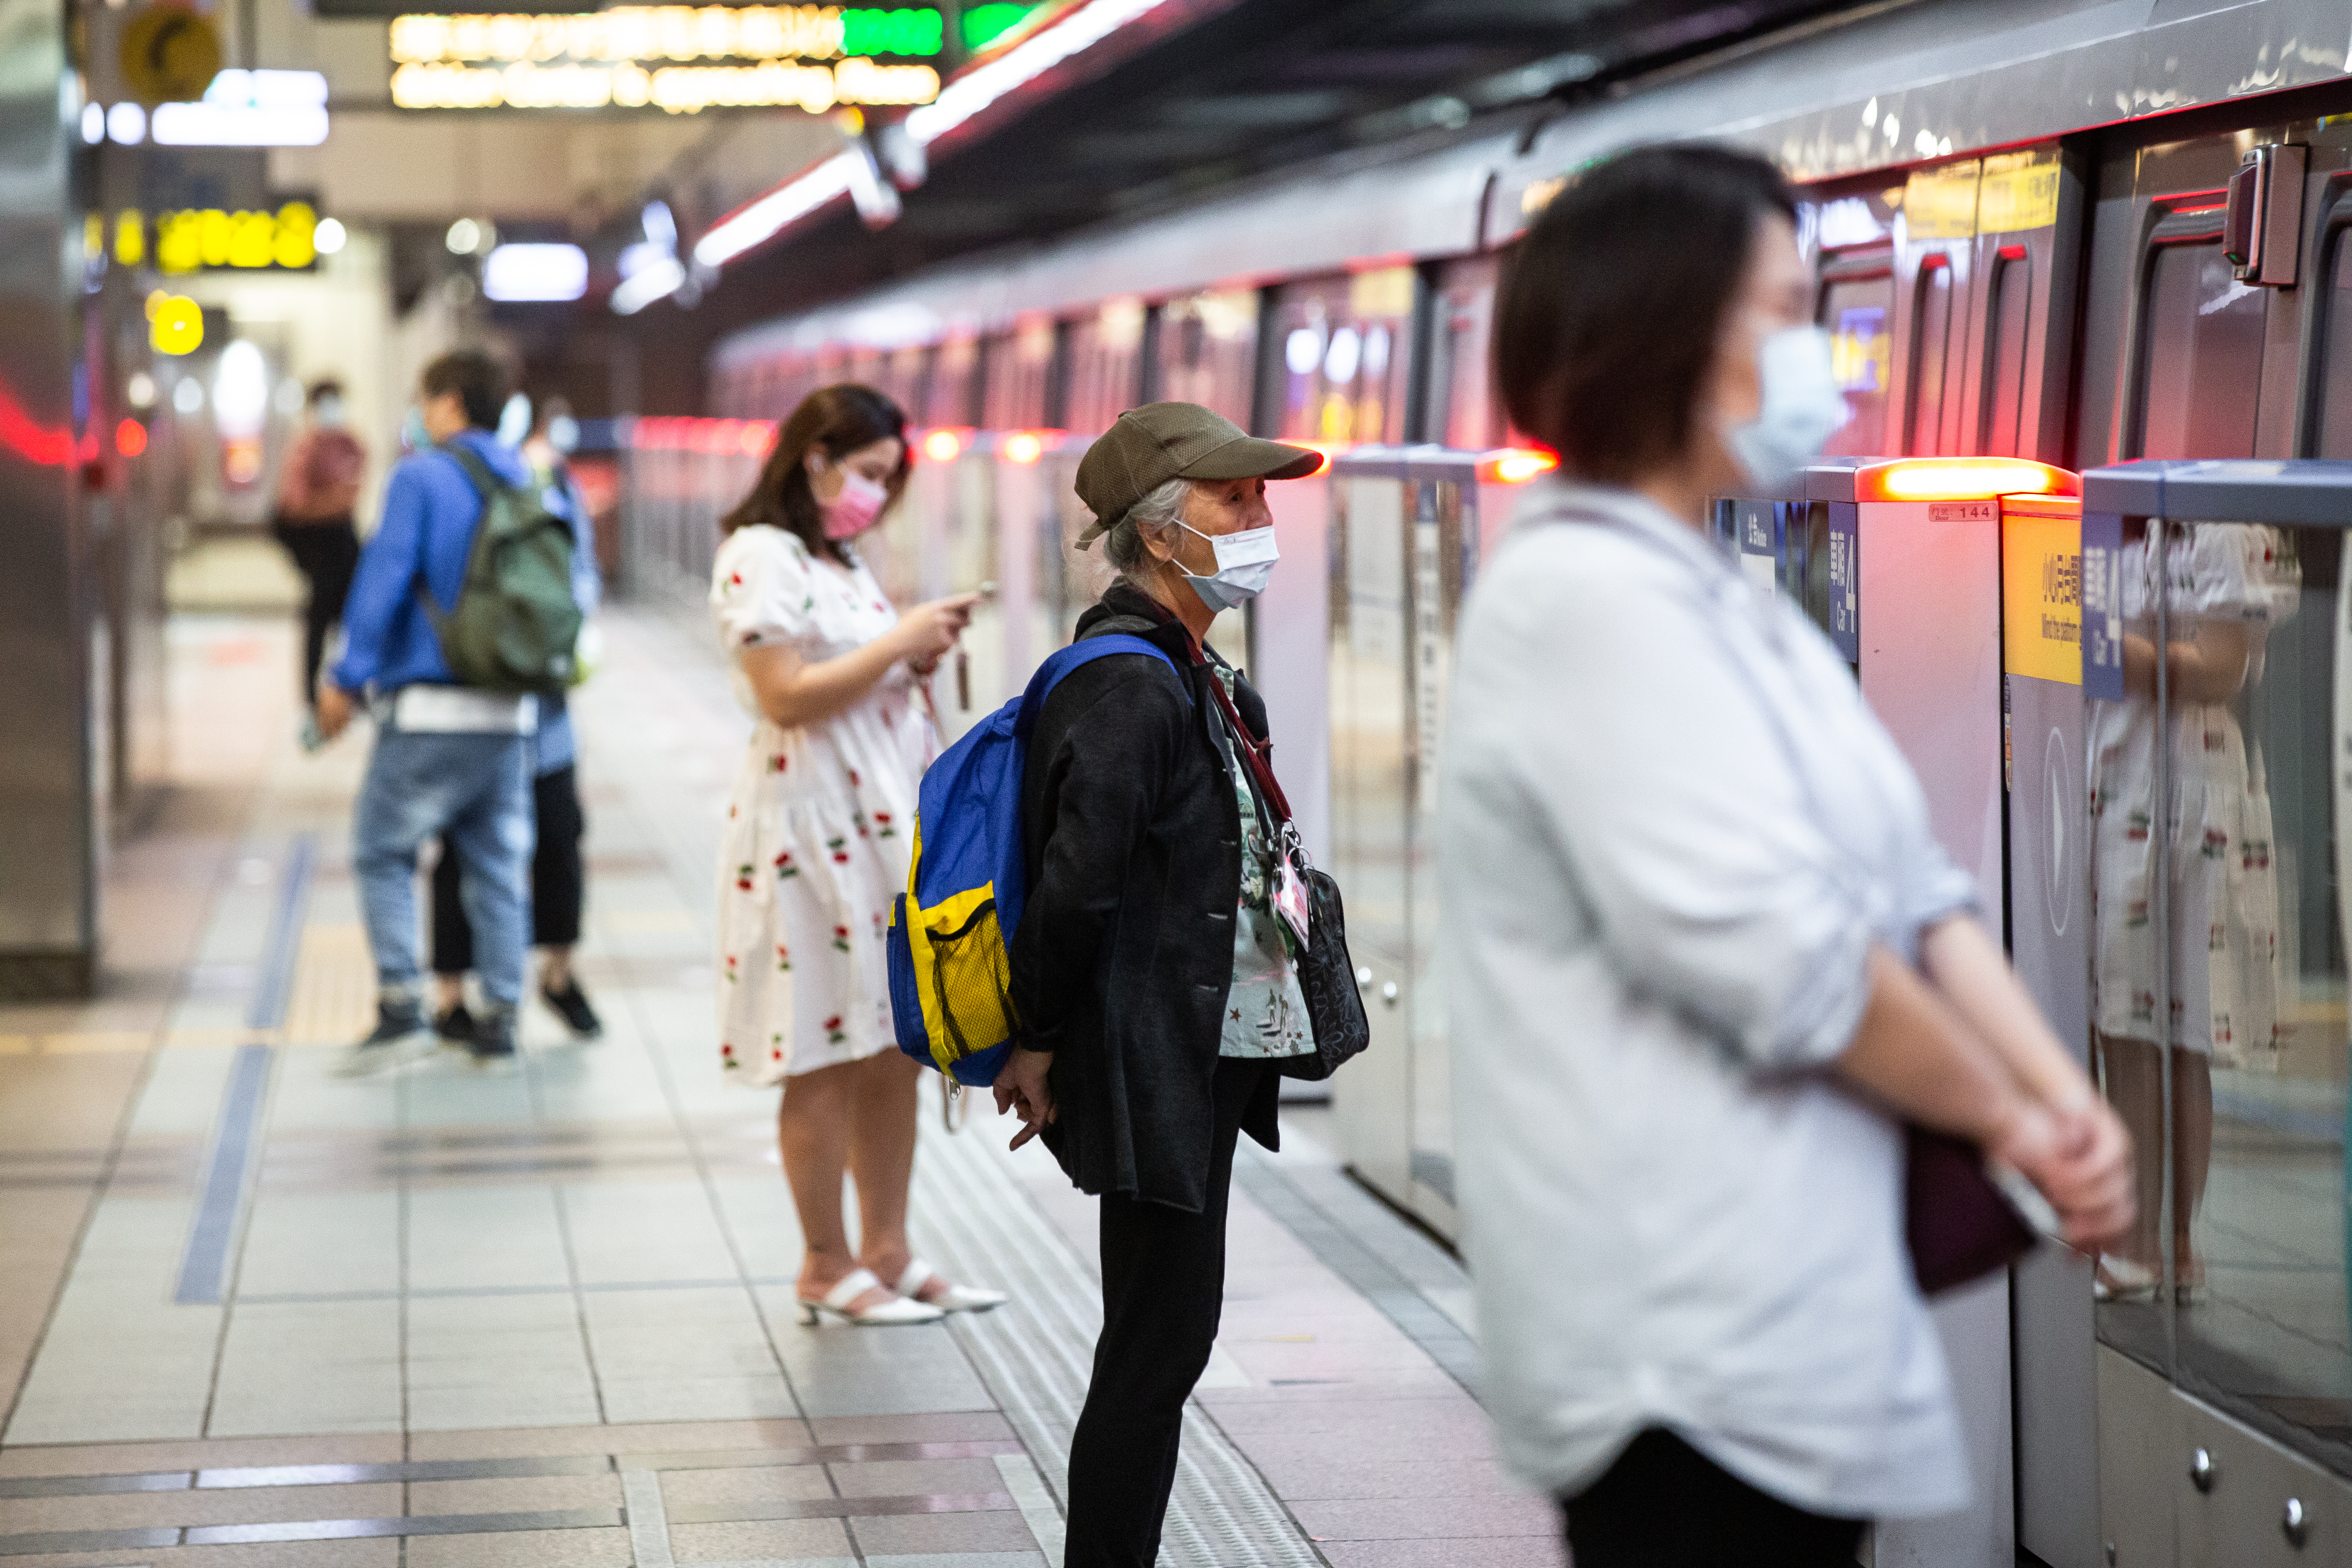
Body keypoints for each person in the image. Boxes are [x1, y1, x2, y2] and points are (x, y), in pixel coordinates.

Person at [1438, 144, 2136, 1566]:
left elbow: (1916, 898)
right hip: (1678, 1352)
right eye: (1787, 310)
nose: (1824, 351)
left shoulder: (1722, 593)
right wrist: (2010, 1125)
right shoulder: (1581, 603)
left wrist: (2063, 1095)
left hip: (1794, 1314)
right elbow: (1791, 962)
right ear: (1667, 338)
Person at [991, 402, 1323, 1568]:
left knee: (1164, 1337)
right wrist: (1031, 1039)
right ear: (1158, 531)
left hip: (1193, 1047)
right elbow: (1077, 888)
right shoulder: (1129, 683)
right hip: (1151, 1054)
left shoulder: (1185, 663)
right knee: (1155, 1347)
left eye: (1262, 497)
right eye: (1235, 501)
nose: (1262, 518)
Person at [711, 383, 1001, 1327]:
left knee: (891, 1045)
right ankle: (823, 1260)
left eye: (887, 480)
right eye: (867, 474)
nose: (874, 495)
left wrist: (910, 648)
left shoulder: (835, 560)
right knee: (825, 1046)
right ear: (815, 458)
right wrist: (900, 641)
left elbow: (846, 673)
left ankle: (888, 1250)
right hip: (808, 832)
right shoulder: (760, 554)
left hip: (875, 826)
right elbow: (782, 693)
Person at [317, 351, 545, 1072]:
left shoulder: (421, 476)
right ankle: (503, 1015)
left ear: (449, 404)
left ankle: (401, 1006)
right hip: (508, 712)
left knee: (382, 850)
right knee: (498, 864)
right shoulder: (528, 476)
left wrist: (346, 676)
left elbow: (383, 579)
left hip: (427, 710)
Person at [2090, 521, 2297, 1301]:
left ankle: (2167, 1242)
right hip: (2122, 788)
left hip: (2189, 797)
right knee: (2128, 1026)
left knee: (2179, 1037)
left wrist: (2110, 653)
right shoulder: (2112, 529)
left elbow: (2220, 671)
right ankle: (2142, 1241)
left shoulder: (2223, 531)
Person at [429, 396, 606, 1043]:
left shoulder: (542, 480)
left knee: (545, 836)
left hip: (526, 698)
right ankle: (454, 992)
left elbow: (580, 576)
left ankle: (550, 975)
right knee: (480, 842)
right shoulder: (447, 480)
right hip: (486, 695)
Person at [273, 379, 366, 708]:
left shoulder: (350, 443)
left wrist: (336, 501)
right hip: (319, 548)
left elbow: (354, 491)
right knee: (318, 621)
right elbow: (295, 506)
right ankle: (312, 693)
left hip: (344, 542)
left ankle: (351, 686)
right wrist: (334, 502)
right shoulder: (305, 448)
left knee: (353, 617)